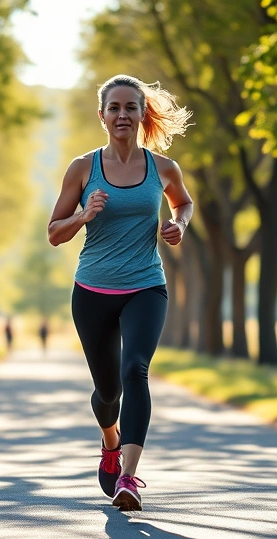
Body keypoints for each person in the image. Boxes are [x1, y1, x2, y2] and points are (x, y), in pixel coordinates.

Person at [47, 74, 193, 511]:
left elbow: (182, 203)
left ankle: (128, 477)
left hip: (146, 286)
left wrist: (178, 226)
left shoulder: (163, 168)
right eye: (115, 107)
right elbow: (54, 233)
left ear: (142, 114)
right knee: (108, 391)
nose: (123, 114)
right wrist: (84, 215)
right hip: (92, 291)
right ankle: (109, 441)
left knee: (136, 371)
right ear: (102, 116)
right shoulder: (83, 168)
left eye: (132, 107)